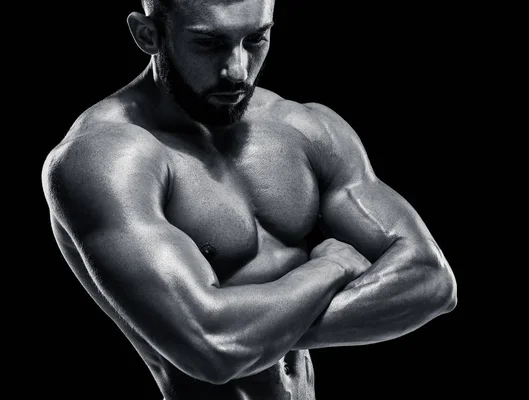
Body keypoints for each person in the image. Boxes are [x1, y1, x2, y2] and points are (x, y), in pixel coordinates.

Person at [41, 0, 457, 398]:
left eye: (256, 39)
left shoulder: (302, 127)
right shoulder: (105, 158)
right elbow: (214, 347)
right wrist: (331, 267)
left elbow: (430, 279)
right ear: (147, 34)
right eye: (209, 43)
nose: (238, 70)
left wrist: (255, 333)